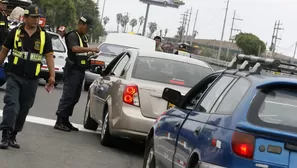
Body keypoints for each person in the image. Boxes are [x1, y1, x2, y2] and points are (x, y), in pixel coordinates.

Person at [0, 5, 55, 149]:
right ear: (25, 18)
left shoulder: (44, 36)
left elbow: (49, 56)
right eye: (33, 17)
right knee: (12, 104)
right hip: (14, 75)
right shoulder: (15, 33)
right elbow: (4, 51)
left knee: (24, 108)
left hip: (32, 79)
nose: (36, 20)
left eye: (38, 17)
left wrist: (52, 75)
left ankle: (13, 135)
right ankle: (5, 134)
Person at [54, 16, 99, 132]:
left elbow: (81, 53)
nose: (88, 30)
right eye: (87, 27)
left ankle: (65, 120)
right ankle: (59, 120)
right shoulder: (72, 35)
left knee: (75, 97)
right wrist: (91, 49)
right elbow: (74, 49)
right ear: (82, 24)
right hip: (72, 70)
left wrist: (90, 56)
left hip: (80, 70)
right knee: (68, 96)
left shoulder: (82, 37)